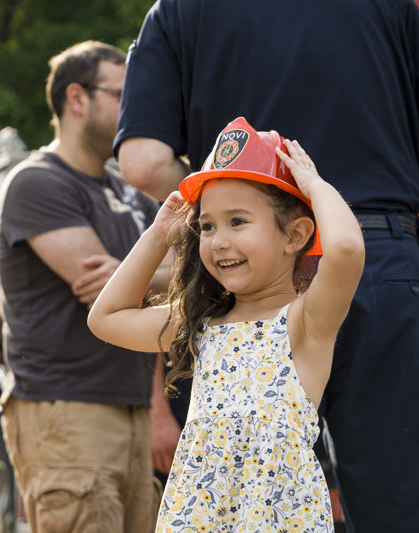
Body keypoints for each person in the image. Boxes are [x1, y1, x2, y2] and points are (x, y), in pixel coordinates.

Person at [113, 2, 419, 531]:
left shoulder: (178, 10)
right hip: (379, 250)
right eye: (211, 225)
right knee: (396, 495)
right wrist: (337, 196)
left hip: (249, 279)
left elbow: (143, 162)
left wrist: (220, 212)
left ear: (297, 235)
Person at [89, 117, 365, 531]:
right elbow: (106, 318)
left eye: (237, 221)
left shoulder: (305, 321)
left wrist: (314, 186)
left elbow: (345, 248)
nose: (219, 241)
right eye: (206, 226)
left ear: (296, 235)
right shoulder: (200, 322)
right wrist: (158, 235)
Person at [0, 40, 168, 533]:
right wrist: (153, 281)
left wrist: (132, 277)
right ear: (76, 98)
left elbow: (182, 281)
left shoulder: (133, 195)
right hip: (66, 411)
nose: (135, 108)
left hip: (133, 410)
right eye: (121, 95)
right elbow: (110, 293)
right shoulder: (37, 183)